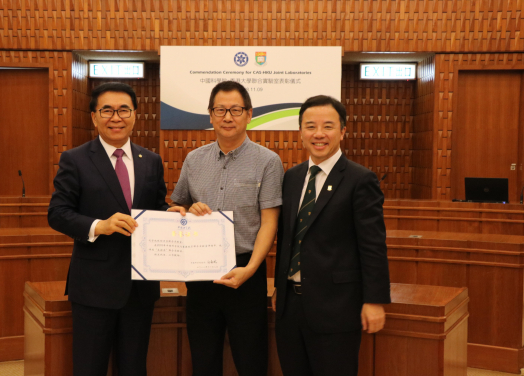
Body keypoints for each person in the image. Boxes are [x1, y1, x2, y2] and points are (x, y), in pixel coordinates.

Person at [48, 82, 168, 376]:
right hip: (93, 286)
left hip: (139, 287)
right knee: (90, 367)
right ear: (94, 116)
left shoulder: (150, 160)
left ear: (135, 115)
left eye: (124, 109)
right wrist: (99, 226)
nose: (117, 117)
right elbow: (58, 214)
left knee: (134, 367)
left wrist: (173, 215)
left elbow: (156, 208)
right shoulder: (75, 159)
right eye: (107, 110)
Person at [168, 81, 284, 376]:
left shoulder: (268, 161)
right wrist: (185, 210)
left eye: (235, 110)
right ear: (210, 115)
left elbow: (269, 221)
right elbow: (176, 209)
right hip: (200, 272)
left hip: (246, 271)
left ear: (249, 114)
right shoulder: (194, 160)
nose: (227, 117)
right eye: (220, 110)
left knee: (251, 359)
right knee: (204, 359)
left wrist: (252, 269)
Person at [272, 95, 391, 376]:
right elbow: (288, 236)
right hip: (290, 307)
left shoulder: (360, 179)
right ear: (301, 132)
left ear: (343, 132)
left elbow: (373, 245)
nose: (319, 134)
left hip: (336, 308)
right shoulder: (292, 177)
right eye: (310, 126)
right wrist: (280, 285)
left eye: (328, 126)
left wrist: (374, 301)